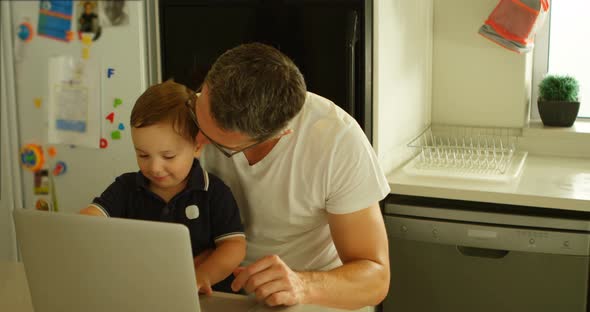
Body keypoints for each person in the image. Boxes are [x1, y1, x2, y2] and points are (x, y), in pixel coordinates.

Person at [192, 42, 391, 309]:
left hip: (311, 298)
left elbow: (375, 279)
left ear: (280, 134)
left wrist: (301, 285)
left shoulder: (336, 141)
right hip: (216, 291)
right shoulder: (193, 113)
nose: (195, 140)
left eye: (219, 144)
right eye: (196, 115)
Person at [80, 80, 246, 294]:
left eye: (168, 156)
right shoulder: (126, 187)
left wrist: (203, 275)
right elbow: (92, 217)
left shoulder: (213, 192)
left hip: (208, 299)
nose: (155, 167)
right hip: (146, 294)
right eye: (143, 155)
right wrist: (79, 225)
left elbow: (234, 246)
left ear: (197, 147)